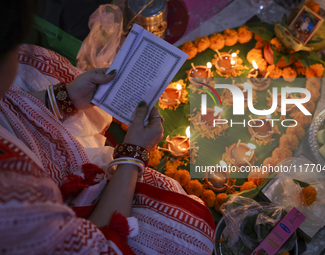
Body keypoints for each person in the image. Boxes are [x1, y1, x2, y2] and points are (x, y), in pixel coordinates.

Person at [0, 1, 215, 254]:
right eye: (12, 48)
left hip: (32, 147)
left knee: (51, 71)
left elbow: (10, 108)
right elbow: (100, 246)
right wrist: (132, 155)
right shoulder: (12, 202)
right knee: (193, 235)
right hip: (64, 202)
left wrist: (62, 98)